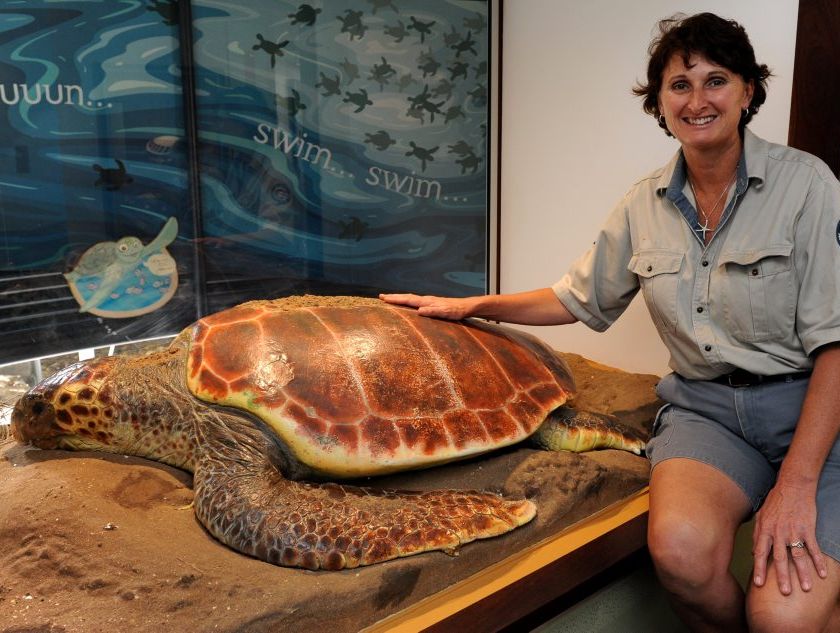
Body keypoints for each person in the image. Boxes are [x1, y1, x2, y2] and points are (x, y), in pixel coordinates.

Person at [380, 12, 840, 633]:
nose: (697, 100)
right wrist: (470, 307)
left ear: (748, 91)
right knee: (680, 556)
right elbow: (576, 299)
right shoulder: (642, 205)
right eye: (679, 85)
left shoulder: (808, 187)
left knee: (784, 617)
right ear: (659, 102)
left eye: (716, 80)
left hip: (810, 415)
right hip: (706, 413)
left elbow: (836, 346)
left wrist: (796, 486)